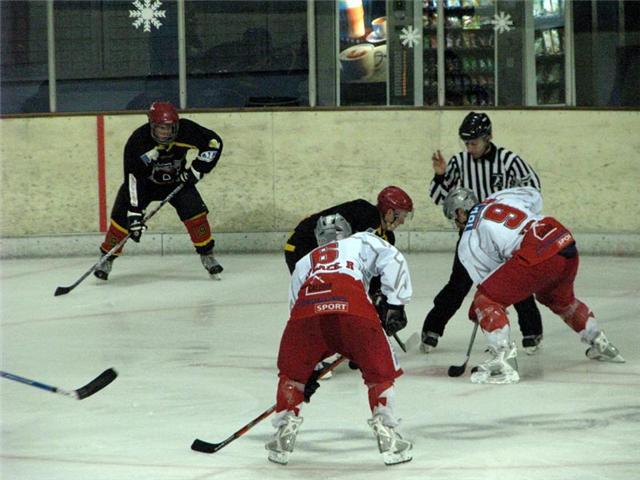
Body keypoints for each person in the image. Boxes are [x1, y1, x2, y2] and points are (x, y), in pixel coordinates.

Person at [266, 213, 413, 466]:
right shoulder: (361, 240)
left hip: (306, 313)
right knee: (379, 374)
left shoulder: (305, 261)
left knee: (292, 377)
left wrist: (307, 372)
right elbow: (393, 258)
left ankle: (283, 435)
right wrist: (395, 303)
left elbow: (294, 308)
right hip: (353, 307)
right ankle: (387, 435)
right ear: (347, 230)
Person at [456, 186, 625, 384]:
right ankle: (601, 343)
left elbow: (491, 283)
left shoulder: (469, 238)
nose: (455, 222)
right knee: (559, 300)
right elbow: (534, 196)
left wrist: (480, 310)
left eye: (454, 217)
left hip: (539, 255)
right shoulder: (499, 197)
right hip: (562, 240)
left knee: (485, 300)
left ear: (461, 212)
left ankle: (503, 363)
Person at [422, 111, 544, 354]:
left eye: (474, 143)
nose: (469, 148)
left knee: (514, 281)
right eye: (466, 143)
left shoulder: (509, 161)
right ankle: (432, 329)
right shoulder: (459, 162)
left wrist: (512, 209)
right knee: (459, 283)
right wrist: (440, 175)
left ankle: (532, 332)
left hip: (503, 234)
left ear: (488, 138)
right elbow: (439, 197)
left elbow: (533, 190)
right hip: (471, 234)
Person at [94, 101, 224, 280]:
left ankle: (207, 254)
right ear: (151, 125)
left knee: (195, 213)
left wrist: (196, 170)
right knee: (121, 218)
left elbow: (213, 143)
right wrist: (134, 212)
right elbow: (132, 177)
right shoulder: (138, 140)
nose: (165, 132)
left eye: (170, 128)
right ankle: (106, 258)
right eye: (161, 128)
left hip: (177, 182)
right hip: (144, 185)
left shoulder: (187, 130)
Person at [284, 186, 414, 273]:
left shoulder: (388, 238)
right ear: (390, 212)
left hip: (321, 255)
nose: (402, 221)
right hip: (301, 247)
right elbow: (328, 228)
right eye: (402, 216)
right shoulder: (363, 211)